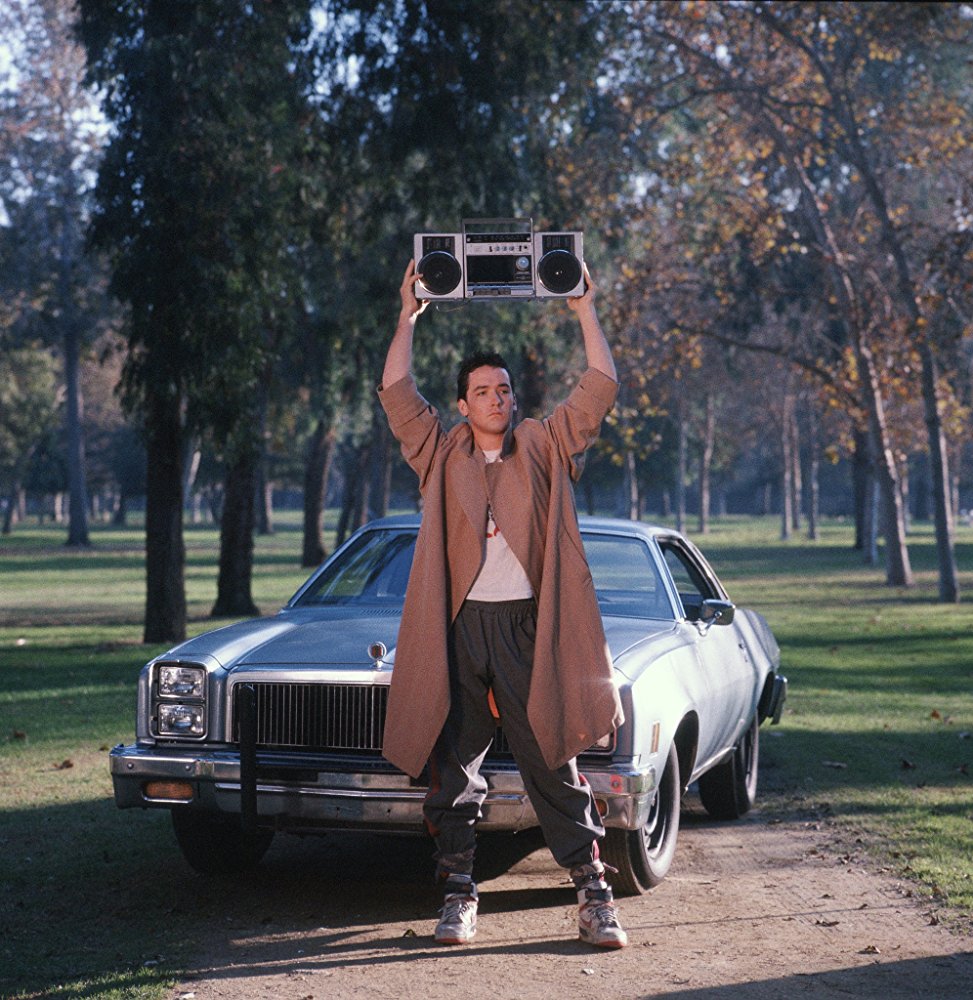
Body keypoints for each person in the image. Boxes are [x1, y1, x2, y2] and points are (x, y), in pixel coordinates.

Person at [377, 258, 626, 949]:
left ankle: (594, 896)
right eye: (482, 391)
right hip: (459, 629)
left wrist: (583, 309)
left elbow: (599, 387)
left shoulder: (543, 445)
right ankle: (458, 894)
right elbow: (396, 391)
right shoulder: (441, 453)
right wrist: (407, 316)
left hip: (526, 627)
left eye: (503, 390)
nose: (495, 399)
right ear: (462, 404)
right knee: (452, 766)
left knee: (551, 757)